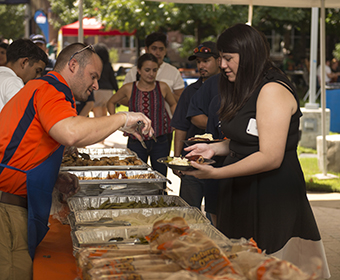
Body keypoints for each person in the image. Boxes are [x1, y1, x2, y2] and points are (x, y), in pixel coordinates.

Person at [183, 24, 330, 278]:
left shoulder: (272, 89)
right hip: (241, 189)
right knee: (241, 265)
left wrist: (217, 174)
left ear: (248, 54)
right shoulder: (243, 85)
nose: (223, 65)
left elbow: (270, 156)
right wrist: (213, 148)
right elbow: (246, 140)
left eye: (228, 58)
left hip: (271, 194)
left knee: (269, 266)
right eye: (221, 58)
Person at [0, 42, 153, 279]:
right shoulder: (51, 89)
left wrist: (52, 178)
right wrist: (123, 118)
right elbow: (71, 133)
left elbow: (27, 147)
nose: (95, 85)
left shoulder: (46, 88)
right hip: (6, 209)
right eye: (93, 76)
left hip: (14, 207)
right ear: (73, 65)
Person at [171, 41, 220, 224]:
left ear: (219, 60)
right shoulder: (190, 91)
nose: (201, 66)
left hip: (221, 164)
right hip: (192, 161)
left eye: (206, 60)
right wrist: (177, 158)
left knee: (217, 216)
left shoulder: (230, 88)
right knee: (188, 214)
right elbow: (180, 126)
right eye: (198, 61)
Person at [107, 53, 176, 176]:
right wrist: (117, 125)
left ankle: (160, 196)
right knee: (135, 176)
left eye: (154, 70)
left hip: (160, 140)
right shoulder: (129, 88)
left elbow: (173, 104)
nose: (151, 73)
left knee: (160, 177)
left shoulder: (163, 87)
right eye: (147, 70)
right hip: (136, 141)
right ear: (138, 70)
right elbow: (111, 102)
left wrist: (174, 122)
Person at [123, 32, 185, 154]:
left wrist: (160, 96)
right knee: (135, 168)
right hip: (137, 130)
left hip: (163, 130)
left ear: (165, 51)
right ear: (146, 49)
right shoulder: (134, 72)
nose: (157, 53)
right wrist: (142, 100)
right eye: (154, 48)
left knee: (160, 168)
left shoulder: (173, 72)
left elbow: (180, 99)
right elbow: (121, 98)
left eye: (161, 49)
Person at [0, 38, 48, 112]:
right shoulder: (13, 81)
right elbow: (22, 115)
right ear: (24, 62)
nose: (38, 76)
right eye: (37, 71)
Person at [92, 43, 119, 120]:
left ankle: (99, 131)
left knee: (97, 116)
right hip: (108, 92)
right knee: (104, 115)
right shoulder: (108, 65)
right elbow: (113, 79)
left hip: (97, 91)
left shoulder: (94, 65)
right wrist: (117, 91)